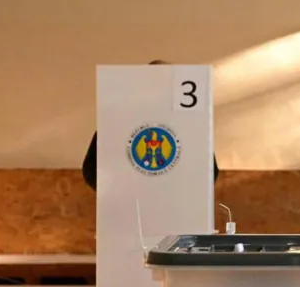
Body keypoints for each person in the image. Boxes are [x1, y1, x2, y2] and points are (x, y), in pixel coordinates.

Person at [81, 60, 220, 191]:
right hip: (129, 208)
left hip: (175, 208)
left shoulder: (191, 124)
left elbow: (209, 172)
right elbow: (91, 169)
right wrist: (116, 191)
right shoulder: (116, 122)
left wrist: (182, 192)